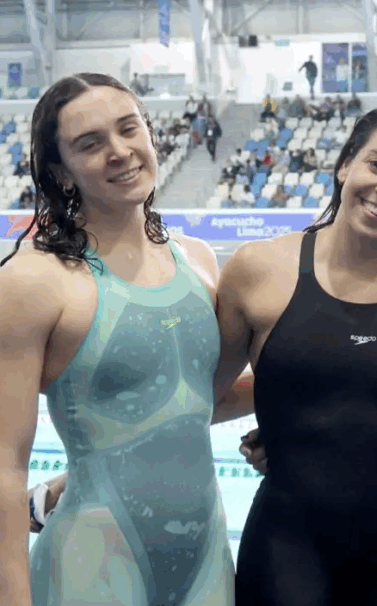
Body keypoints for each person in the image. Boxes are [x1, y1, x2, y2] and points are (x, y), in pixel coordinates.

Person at [0, 73, 237, 606]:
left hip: (206, 564)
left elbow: (191, 397)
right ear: (61, 171)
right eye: (90, 143)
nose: (120, 151)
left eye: (129, 129)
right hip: (94, 567)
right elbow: (4, 462)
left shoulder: (198, 261)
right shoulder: (33, 282)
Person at [220, 107, 377, 606]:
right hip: (286, 548)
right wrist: (287, 426)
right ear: (345, 165)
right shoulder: (259, 269)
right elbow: (198, 396)